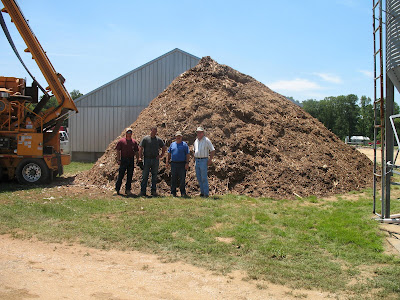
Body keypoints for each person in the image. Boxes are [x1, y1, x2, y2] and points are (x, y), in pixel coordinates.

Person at [138, 127, 166, 196]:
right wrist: (140, 157)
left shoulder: (158, 139)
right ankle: (143, 191)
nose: (154, 132)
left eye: (155, 131)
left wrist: (161, 155)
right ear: (151, 130)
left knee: (154, 175)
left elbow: (164, 147)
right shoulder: (145, 139)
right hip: (146, 159)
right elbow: (140, 148)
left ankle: (153, 191)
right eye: (153, 130)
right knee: (145, 175)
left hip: (155, 159)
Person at [115, 128, 139, 196]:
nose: (129, 133)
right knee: (121, 175)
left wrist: (138, 159)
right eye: (128, 132)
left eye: (130, 132)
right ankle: (117, 189)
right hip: (124, 159)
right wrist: (118, 159)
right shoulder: (121, 141)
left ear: (131, 133)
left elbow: (136, 151)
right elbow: (118, 150)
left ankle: (128, 190)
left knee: (130, 175)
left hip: (131, 160)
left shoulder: (134, 142)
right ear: (125, 133)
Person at [166, 131, 190, 197]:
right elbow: (169, 153)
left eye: (179, 136)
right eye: (177, 136)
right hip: (174, 164)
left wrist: (187, 163)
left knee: (182, 178)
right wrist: (167, 162)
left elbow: (187, 154)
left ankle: (182, 192)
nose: (178, 137)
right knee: (173, 178)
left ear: (181, 137)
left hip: (182, 164)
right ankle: (173, 192)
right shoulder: (172, 144)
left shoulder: (184, 145)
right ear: (175, 137)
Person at [193, 126, 215, 197]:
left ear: (203, 133)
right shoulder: (196, 141)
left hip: (203, 160)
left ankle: (206, 193)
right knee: (199, 177)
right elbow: (194, 150)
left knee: (204, 177)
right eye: (198, 132)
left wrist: (210, 160)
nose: (199, 134)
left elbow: (212, 150)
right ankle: (202, 192)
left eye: (200, 132)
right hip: (197, 160)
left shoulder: (206, 140)